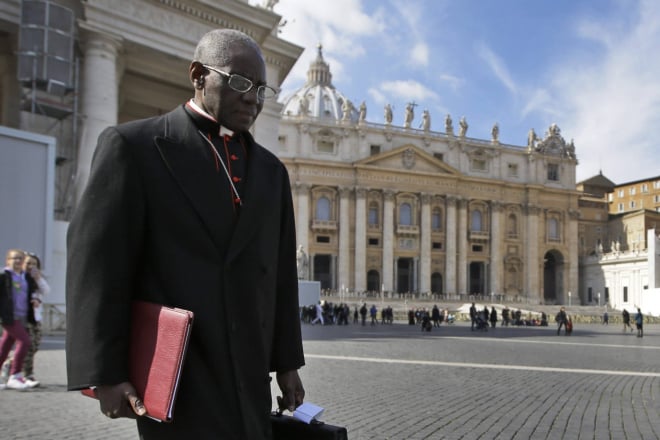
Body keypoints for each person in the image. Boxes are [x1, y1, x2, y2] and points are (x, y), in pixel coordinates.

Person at [65, 29, 305, 438]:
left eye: (260, 88)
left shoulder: (271, 172)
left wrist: (287, 364)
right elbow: (97, 263)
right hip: (177, 372)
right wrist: (105, 373)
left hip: (249, 374)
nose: (252, 98)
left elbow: (280, 275)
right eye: (240, 82)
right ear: (199, 75)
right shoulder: (134, 146)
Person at [0, 249, 40, 390]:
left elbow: (34, 291)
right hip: (9, 316)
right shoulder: (4, 275)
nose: (18, 261)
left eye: (20, 258)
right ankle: (15, 375)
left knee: (5, 345)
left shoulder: (25, 276)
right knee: (24, 341)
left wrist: (34, 298)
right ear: (8, 260)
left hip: (23, 315)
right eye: (15, 258)